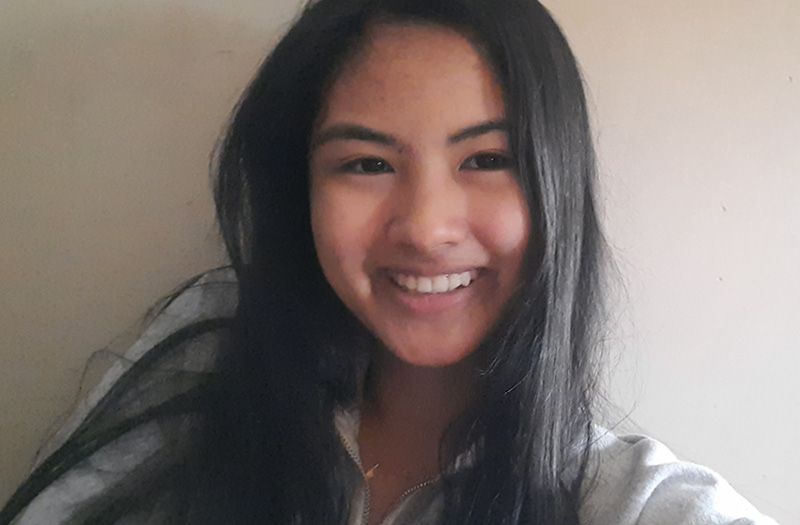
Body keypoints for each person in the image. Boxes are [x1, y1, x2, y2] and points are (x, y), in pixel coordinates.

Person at [0, 0, 778, 523]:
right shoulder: (207, 350)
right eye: (367, 164)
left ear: (557, 188)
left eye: (487, 159)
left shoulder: (629, 501)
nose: (427, 228)